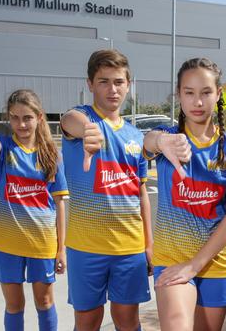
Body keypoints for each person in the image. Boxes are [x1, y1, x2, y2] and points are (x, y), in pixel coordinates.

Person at [143, 57, 226, 331]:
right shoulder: (168, 138)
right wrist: (160, 141)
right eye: (189, 93)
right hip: (171, 257)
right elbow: (146, 142)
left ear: (218, 95)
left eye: (206, 92)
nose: (198, 102)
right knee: (178, 325)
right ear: (179, 95)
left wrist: (194, 265)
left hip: (216, 261)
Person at [60, 49, 153, 331]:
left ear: (128, 84)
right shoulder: (82, 119)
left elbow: (142, 194)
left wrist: (149, 245)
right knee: (88, 321)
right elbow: (68, 120)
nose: (112, 89)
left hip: (130, 248)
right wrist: (88, 129)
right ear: (90, 84)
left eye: (118, 82)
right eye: (103, 81)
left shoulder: (135, 136)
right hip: (85, 247)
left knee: (127, 321)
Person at [0, 89, 68, 331]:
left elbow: (59, 204)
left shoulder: (52, 154)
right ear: (9, 118)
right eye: (15, 118)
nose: (21, 124)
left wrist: (61, 249)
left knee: (45, 301)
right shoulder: (5, 148)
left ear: (39, 118)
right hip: (7, 241)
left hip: (42, 242)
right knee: (14, 304)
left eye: (27, 117)